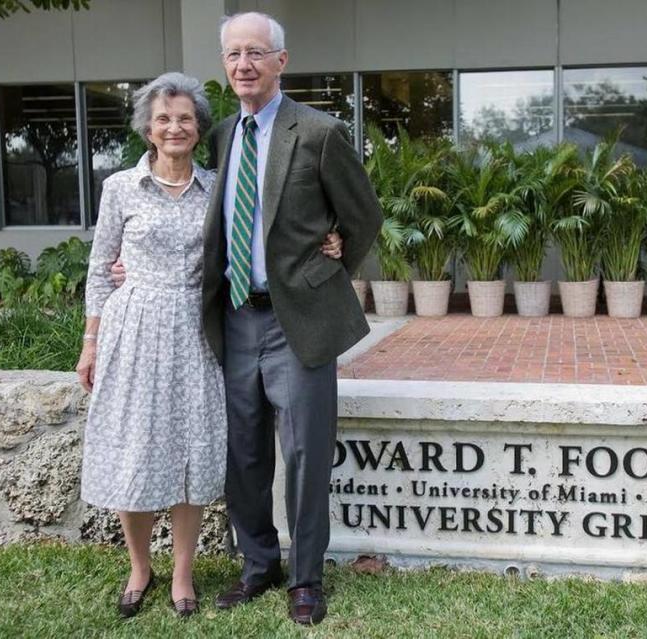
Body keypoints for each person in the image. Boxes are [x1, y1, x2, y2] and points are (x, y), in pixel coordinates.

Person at [204, 12, 382, 626]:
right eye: (233, 54)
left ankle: (305, 578)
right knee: (244, 454)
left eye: (256, 52)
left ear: (282, 61)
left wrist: (330, 263)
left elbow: (363, 216)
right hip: (235, 318)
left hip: (296, 320)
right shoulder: (224, 134)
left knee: (305, 452)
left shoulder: (320, 132)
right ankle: (259, 565)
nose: (243, 64)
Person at [76, 72, 225, 619]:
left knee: (191, 451)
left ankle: (182, 573)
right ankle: (140, 566)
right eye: (163, 118)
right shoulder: (120, 187)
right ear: (147, 128)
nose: (174, 127)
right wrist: (90, 344)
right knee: (132, 448)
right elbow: (99, 269)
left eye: (184, 117)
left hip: (195, 329)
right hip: (133, 329)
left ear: (198, 127)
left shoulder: (216, 187)